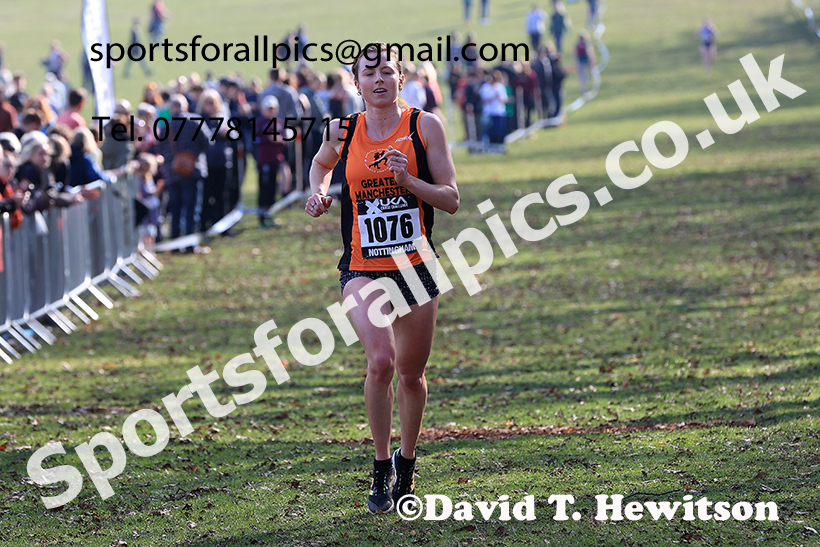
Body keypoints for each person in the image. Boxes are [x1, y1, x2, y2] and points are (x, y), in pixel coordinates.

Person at [305, 42, 459, 515]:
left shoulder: (424, 126)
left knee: (411, 375)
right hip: (362, 267)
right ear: (355, 82)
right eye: (368, 72)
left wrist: (409, 182)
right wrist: (320, 193)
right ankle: (379, 468)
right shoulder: (341, 130)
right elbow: (320, 165)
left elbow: (451, 199)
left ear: (401, 79)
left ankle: (406, 463)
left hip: (415, 268)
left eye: (387, 71)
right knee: (381, 362)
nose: (378, 79)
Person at [157, 94, 212, 248]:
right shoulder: (195, 121)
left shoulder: (166, 125)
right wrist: (193, 154)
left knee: (175, 208)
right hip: (193, 170)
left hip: (172, 171)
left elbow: (159, 147)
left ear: (172, 108)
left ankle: (175, 243)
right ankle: (189, 244)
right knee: (192, 208)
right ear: (186, 106)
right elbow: (208, 141)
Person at [575, 30, 596, 94]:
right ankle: (591, 75)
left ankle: (583, 87)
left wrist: (576, 62)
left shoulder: (577, 44)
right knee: (589, 70)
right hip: (586, 59)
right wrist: (592, 59)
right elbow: (590, 52)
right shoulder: (587, 43)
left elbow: (575, 53)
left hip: (580, 60)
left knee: (582, 74)